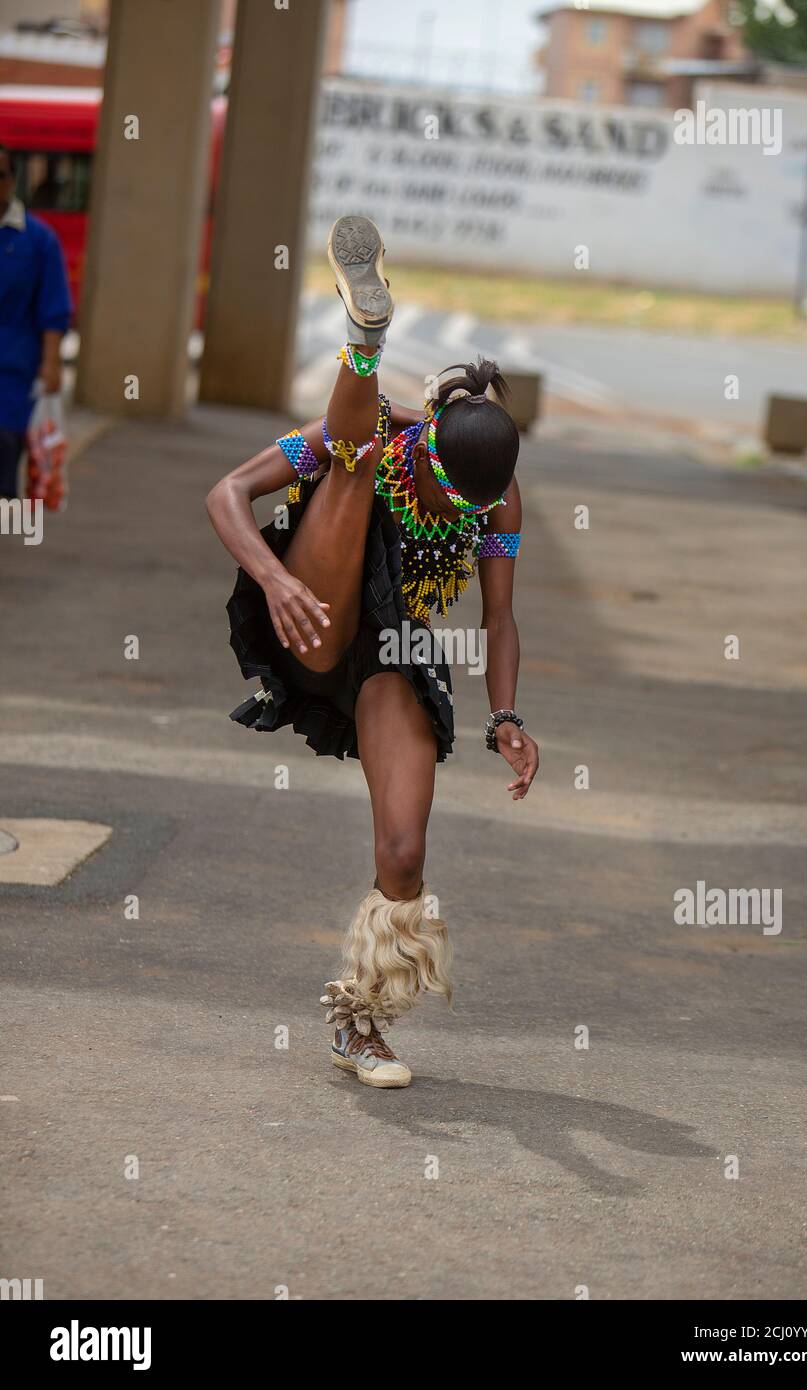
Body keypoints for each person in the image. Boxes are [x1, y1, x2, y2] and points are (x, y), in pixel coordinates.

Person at [207, 215, 539, 1088]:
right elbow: (228, 492)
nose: (467, 509)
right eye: (449, 487)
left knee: (403, 849)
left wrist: (505, 717)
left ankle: (362, 1026)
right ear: (432, 442)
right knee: (354, 459)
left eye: (480, 502)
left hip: (389, 647)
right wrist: (275, 584)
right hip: (316, 603)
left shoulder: (497, 502)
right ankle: (366, 340)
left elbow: (500, 620)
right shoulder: (391, 435)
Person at [0, 144, 72, 500]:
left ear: (12, 181)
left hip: (11, 375)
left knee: (3, 454)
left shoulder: (38, 239)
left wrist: (51, 364)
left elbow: (53, 308)